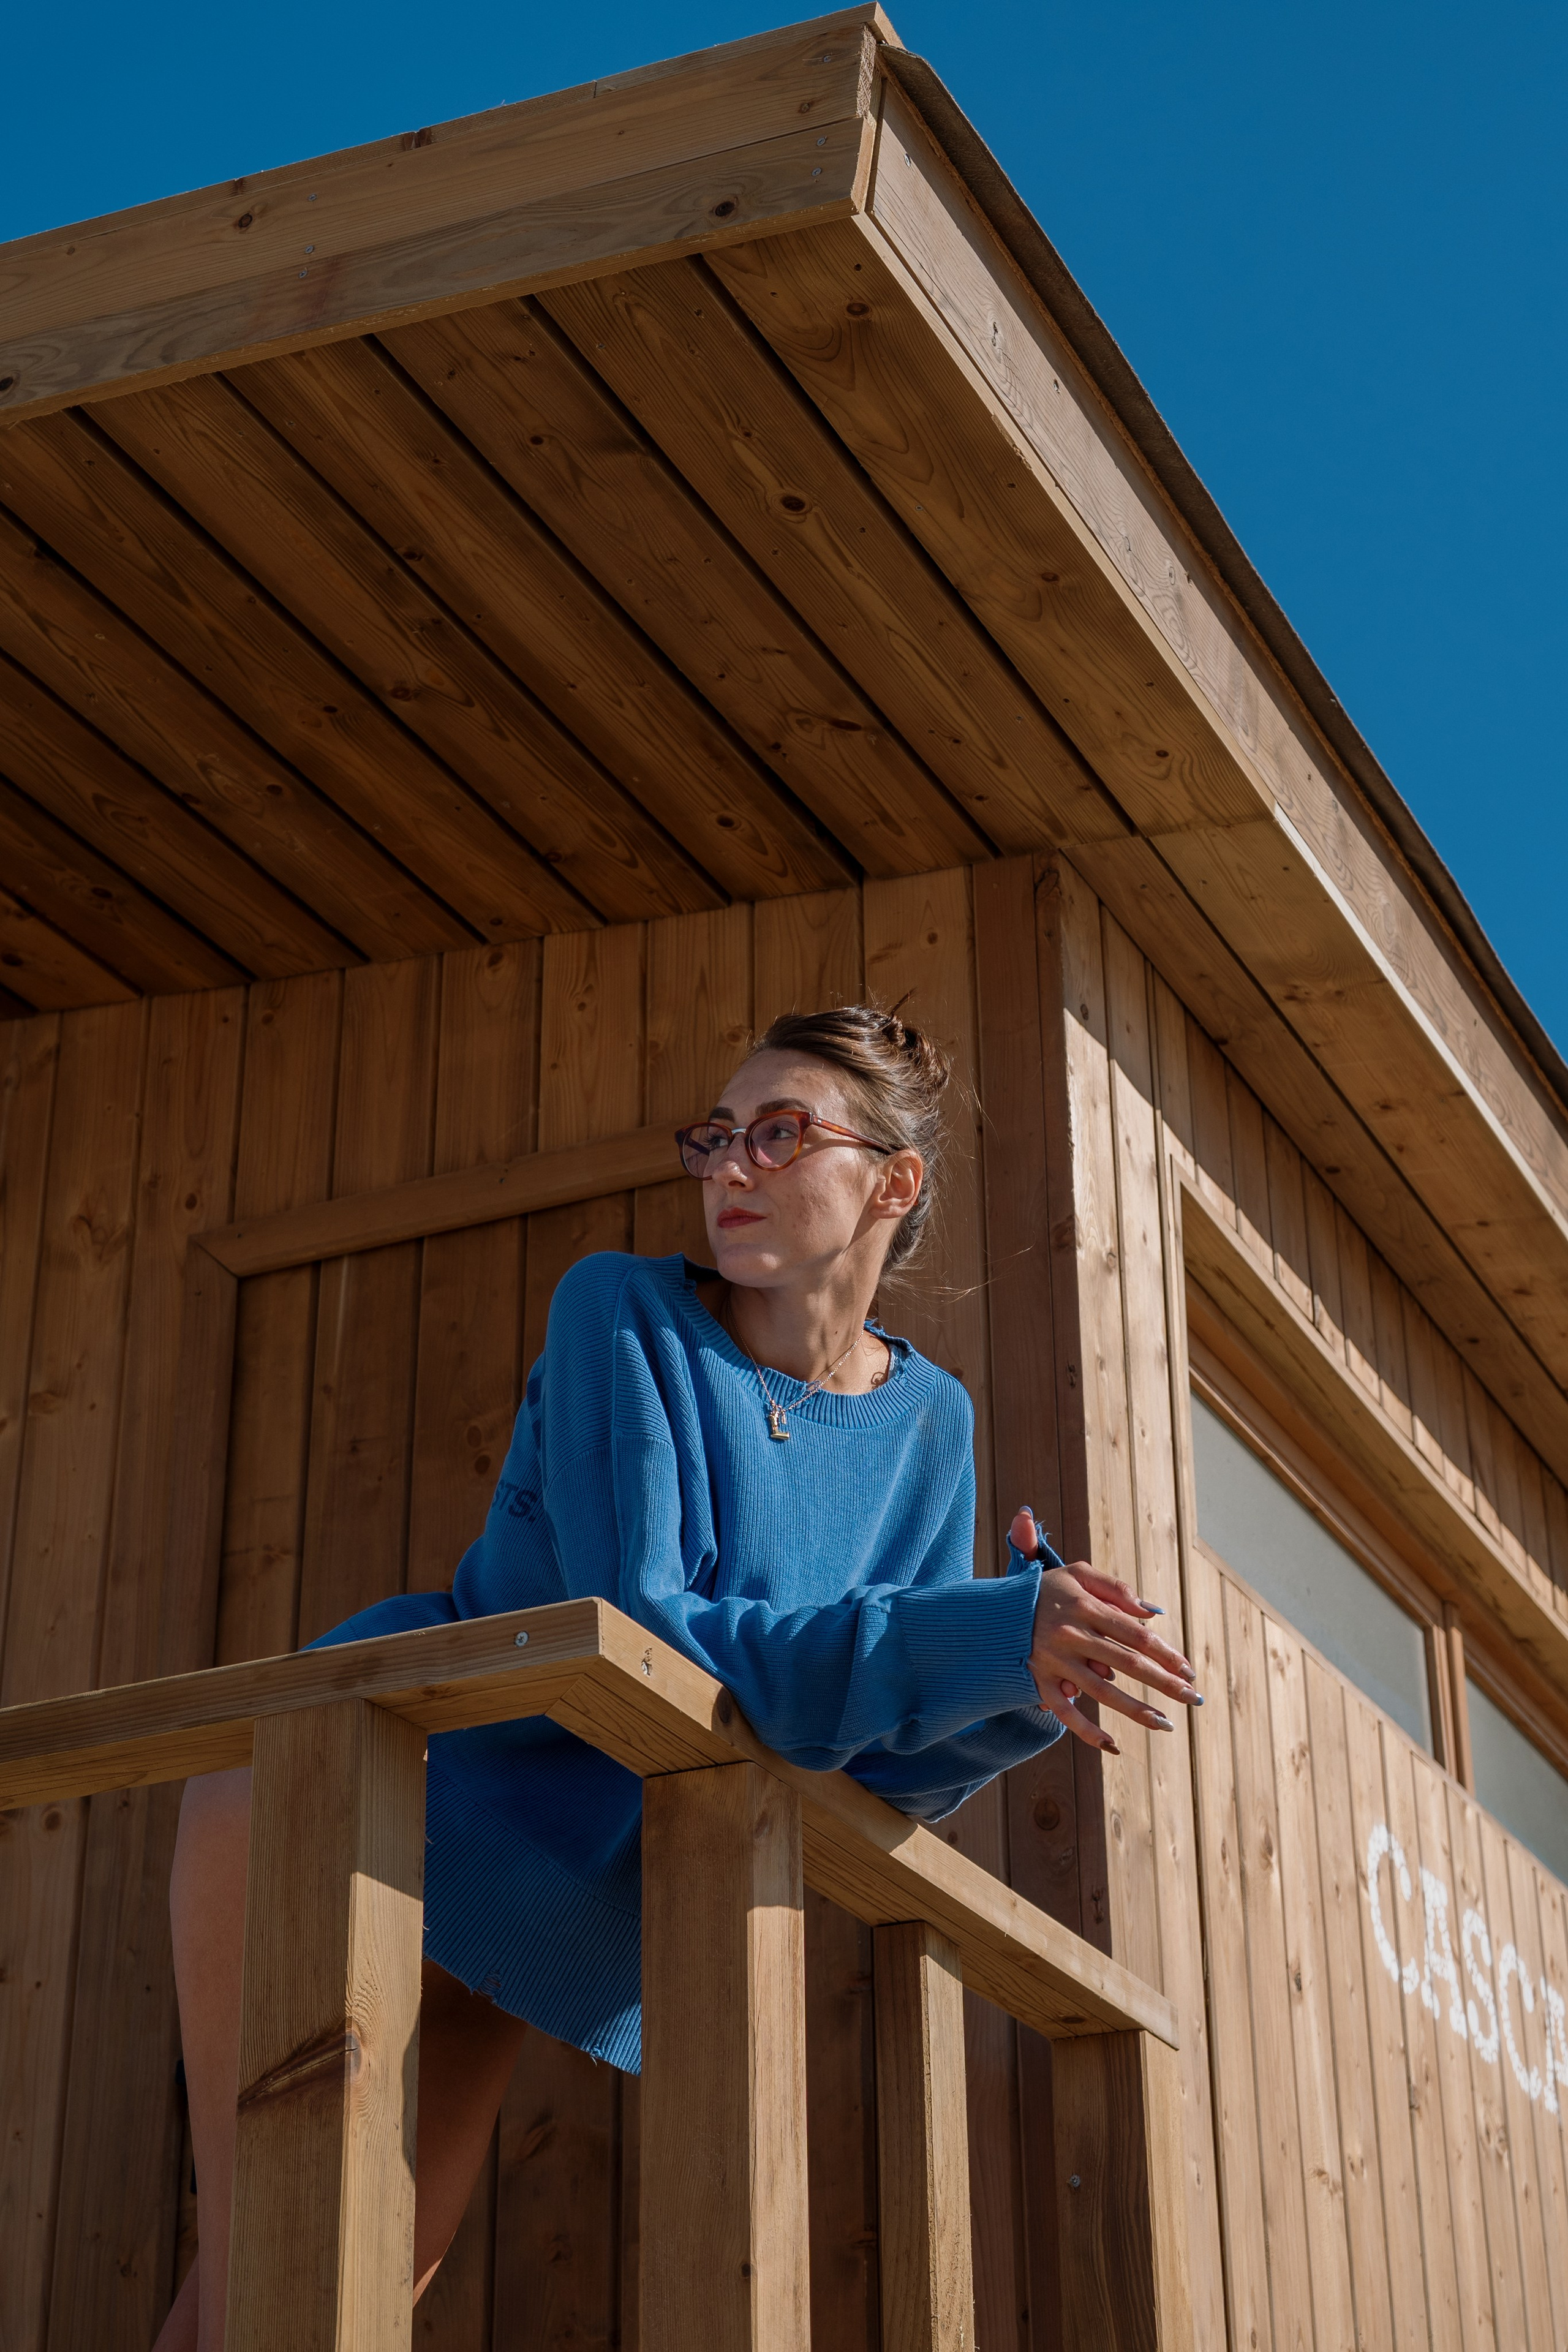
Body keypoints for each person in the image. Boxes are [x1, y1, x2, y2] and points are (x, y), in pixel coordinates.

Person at [155, 1003, 1200, 2350]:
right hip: (363, 1780)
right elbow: (648, 1628)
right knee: (281, 2286)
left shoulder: (932, 1426)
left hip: (545, 1886)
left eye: (778, 1135)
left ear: (893, 1181)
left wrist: (1012, 1679)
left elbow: (871, 1765)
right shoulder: (625, 1314)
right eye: (716, 1138)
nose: (729, 1170)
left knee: (344, 2297)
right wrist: (961, 1637)